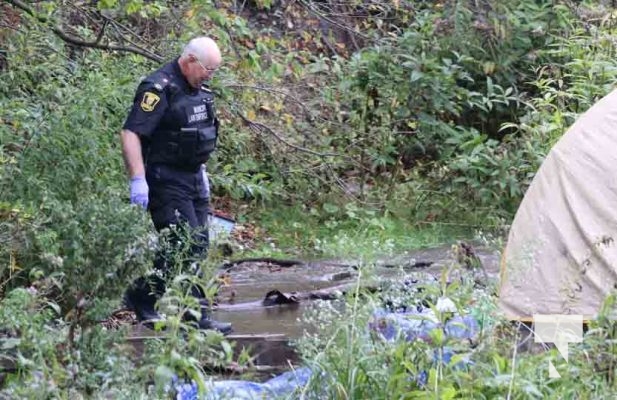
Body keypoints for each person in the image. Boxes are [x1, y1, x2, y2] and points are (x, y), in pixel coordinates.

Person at [119, 37, 232, 335]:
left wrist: (202, 171)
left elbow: (198, 134)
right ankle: (197, 319)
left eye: (214, 71)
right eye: (208, 69)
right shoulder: (159, 88)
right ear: (190, 60)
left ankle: (142, 295)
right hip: (164, 178)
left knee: (197, 244)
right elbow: (131, 133)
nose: (210, 75)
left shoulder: (200, 91)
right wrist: (137, 179)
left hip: (194, 178)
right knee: (184, 243)